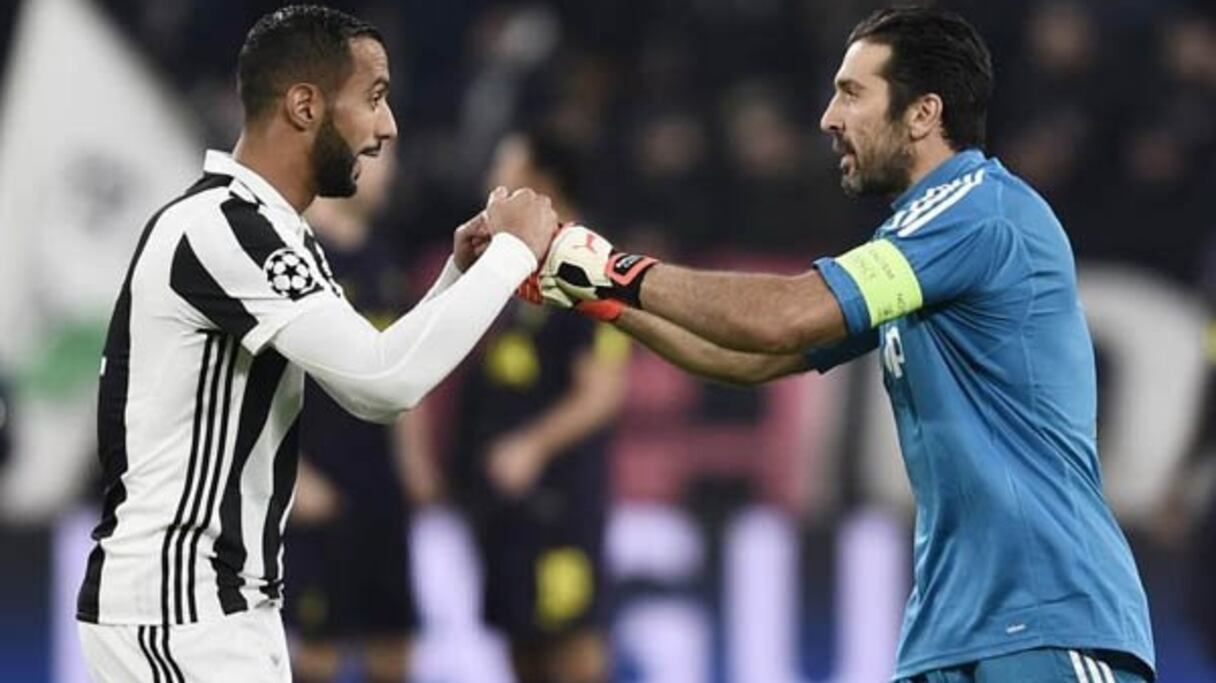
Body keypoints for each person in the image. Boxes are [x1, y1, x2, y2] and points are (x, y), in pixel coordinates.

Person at [536, 7, 1155, 683]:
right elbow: (753, 359)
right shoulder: (920, 243)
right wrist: (593, 292)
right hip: (951, 632)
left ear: (923, 113)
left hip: (1049, 618)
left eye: (853, 92)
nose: (830, 117)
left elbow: (786, 317)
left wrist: (606, 263)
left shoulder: (980, 211)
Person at [75, 6, 557, 682]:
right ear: (305, 105)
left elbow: (371, 364)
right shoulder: (225, 229)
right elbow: (383, 384)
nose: (388, 128)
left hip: (218, 611)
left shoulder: (272, 231)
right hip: (178, 614)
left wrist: (460, 275)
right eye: (375, 97)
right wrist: (513, 255)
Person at [435, 129, 628, 683]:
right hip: (506, 511)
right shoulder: (511, 273)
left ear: (541, 187)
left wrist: (531, 445)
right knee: (522, 654)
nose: (492, 189)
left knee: (573, 655)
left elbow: (603, 392)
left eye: (507, 175)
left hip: (560, 506)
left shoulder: (589, 267)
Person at [281, 148, 420, 683]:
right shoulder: (294, 256)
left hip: (380, 490)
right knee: (317, 655)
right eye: (376, 154)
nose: (391, 169)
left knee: (394, 648)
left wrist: (414, 466)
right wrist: (291, 476)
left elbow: (405, 367)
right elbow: (256, 382)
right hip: (318, 488)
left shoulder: (385, 262)